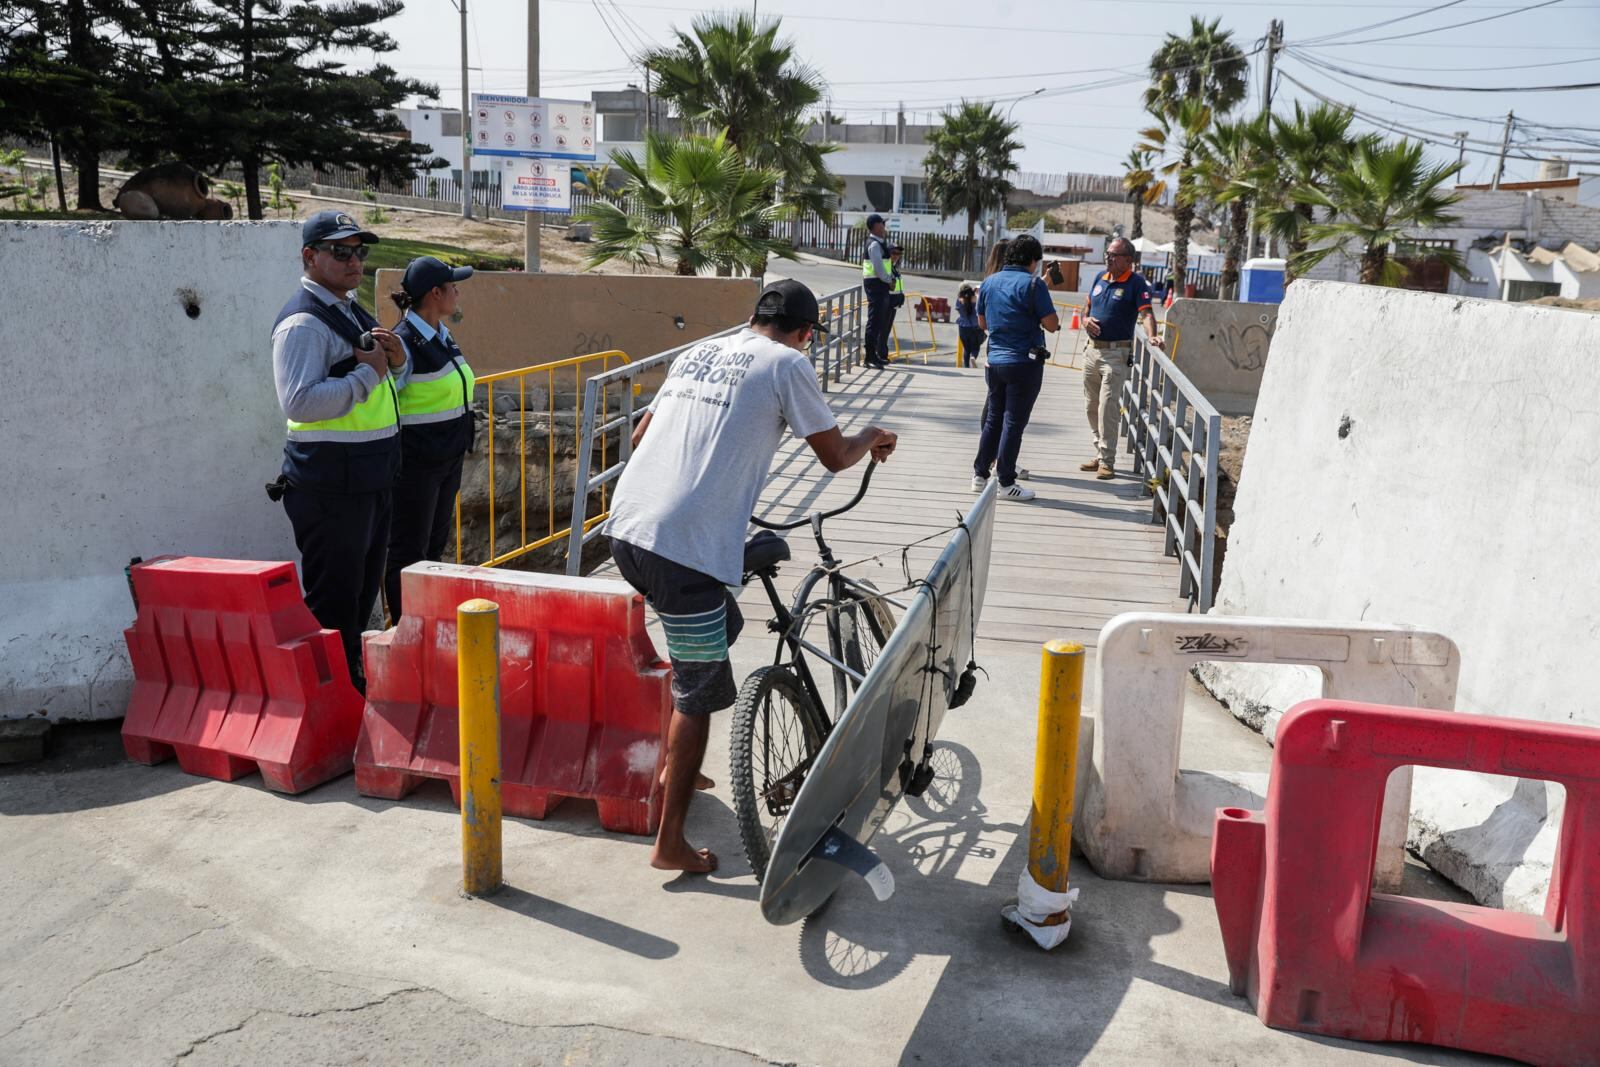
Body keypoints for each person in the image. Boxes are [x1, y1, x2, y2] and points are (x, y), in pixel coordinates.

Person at [603, 280, 897, 874]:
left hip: (626, 527)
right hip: (681, 548)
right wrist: (873, 436)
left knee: (722, 624)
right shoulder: (788, 363)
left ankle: (675, 755)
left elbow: (640, 437)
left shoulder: (701, 352)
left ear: (754, 318)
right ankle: (670, 840)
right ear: (807, 333)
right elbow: (835, 456)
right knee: (701, 693)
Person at [270, 211, 408, 689]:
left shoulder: (348, 308)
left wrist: (396, 362)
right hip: (331, 488)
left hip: (367, 481)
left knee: (359, 600)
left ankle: (352, 698)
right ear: (310, 256)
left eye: (360, 251)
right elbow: (301, 401)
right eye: (341, 252)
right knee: (334, 607)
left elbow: (379, 384)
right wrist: (369, 373)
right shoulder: (304, 324)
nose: (355, 262)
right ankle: (329, 700)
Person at [383, 256, 477, 619]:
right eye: (452, 286)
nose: (457, 292)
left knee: (433, 548)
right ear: (435, 293)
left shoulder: (440, 334)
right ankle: (405, 630)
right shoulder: (403, 343)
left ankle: (427, 622)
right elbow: (390, 389)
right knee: (408, 553)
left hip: (446, 460)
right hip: (416, 467)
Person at [971, 234, 1059, 503]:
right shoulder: (1034, 284)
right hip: (1024, 362)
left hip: (995, 361)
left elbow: (982, 324)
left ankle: (979, 475)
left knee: (993, 419)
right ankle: (1006, 482)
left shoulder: (989, 282)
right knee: (1013, 422)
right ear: (1033, 260)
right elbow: (1052, 324)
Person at [1080, 237, 1163, 481]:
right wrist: (1085, 321)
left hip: (1116, 354)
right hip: (1092, 350)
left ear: (1128, 260)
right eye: (1107, 253)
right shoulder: (1100, 278)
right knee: (1090, 406)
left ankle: (1107, 461)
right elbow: (1087, 308)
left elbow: (1146, 313)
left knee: (1108, 406)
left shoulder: (1136, 284)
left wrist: (1153, 336)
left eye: (1114, 255)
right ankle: (1099, 450)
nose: (1109, 258)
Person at [859, 214, 894, 368]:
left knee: (878, 321)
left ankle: (874, 356)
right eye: (882, 223)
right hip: (876, 287)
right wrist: (889, 280)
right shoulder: (874, 245)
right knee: (874, 321)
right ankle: (870, 356)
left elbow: (885, 265)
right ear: (876, 226)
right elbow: (879, 269)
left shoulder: (879, 243)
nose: (884, 226)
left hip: (880, 287)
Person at [884, 244, 906, 360]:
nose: (896, 256)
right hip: (887, 303)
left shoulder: (894, 267)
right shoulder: (887, 266)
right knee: (883, 330)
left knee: (886, 331)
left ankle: (883, 354)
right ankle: (881, 355)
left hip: (894, 304)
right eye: (893, 253)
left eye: (898, 254)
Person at [955, 283, 983, 369]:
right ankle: (973, 357)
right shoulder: (975, 298)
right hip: (975, 325)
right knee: (975, 347)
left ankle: (967, 366)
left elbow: (958, 309)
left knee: (966, 348)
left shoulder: (959, 300)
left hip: (963, 326)